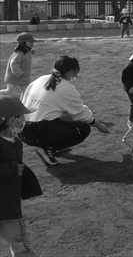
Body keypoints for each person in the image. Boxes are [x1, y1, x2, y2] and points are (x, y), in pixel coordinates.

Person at [20, 55, 111, 166]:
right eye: (75, 73)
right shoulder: (66, 88)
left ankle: (48, 145)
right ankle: (47, 148)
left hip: (22, 128)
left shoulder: (40, 79)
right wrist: (98, 125)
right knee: (83, 129)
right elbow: (81, 114)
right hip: (36, 132)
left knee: (65, 116)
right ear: (71, 71)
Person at [0, 95, 40, 257]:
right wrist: (12, 170)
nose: (24, 120)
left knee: (20, 241)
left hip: (9, 204)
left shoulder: (15, 142)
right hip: (7, 206)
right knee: (21, 242)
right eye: (21, 116)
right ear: (11, 120)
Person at [1, 33, 36, 98]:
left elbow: (26, 57)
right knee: (9, 91)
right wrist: (18, 73)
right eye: (30, 42)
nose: (32, 43)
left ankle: (22, 103)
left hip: (23, 78)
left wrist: (31, 52)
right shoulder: (18, 54)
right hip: (14, 77)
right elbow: (14, 64)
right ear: (23, 43)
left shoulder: (27, 51)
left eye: (32, 42)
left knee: (26, 92)